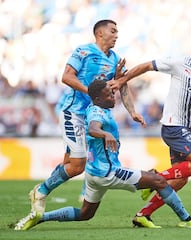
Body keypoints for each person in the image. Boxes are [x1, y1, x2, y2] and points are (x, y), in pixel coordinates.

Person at [14, 79, 191, 230]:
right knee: (158, 182)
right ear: (98, 98)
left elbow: (100, 115)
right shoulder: (97, 112)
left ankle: (40, 217)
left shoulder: (98, 108)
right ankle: (187, 220)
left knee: (85, 214)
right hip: (108, 172)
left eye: (112, 92)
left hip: (93, 174)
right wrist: (105, 133)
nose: (113, 97)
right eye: (109, 94)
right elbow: (92, 128)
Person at [109, 38, 191, 227]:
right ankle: (154, 179)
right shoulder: (179, 63)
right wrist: (123, 79)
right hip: (173, 127)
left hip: (188, 129)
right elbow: (147, 66)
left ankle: (143, 214)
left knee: (180, 181)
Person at [28, 19, 144, 214]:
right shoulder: (83, 51)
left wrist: (132, 112)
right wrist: (90, 91)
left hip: (94, 116)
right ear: (99, 33)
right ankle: (41, 191)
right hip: (74, 113)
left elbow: (122, 85)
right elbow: (66, 76)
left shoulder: (115, 58)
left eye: (117, 32)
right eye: (113, 31)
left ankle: (55, 190)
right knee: (77, 165)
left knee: (71, 163)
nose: (117, 35)